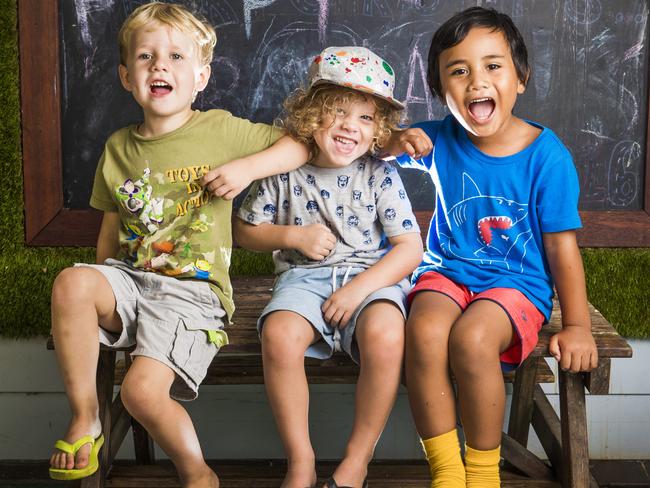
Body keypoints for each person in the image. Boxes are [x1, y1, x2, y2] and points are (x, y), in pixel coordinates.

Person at [48, 2, 311, 486]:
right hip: (129, 281)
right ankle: (86, 418)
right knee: (72, 282)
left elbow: (301, 145)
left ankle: (197, 474)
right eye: (146, 57)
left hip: (191, 292)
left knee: (141, 394)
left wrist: (246, 169)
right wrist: (100, 286)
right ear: (127, 77)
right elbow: (111, 226)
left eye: (175, 57)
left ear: (202, 76)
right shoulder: (117, 147)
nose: (160, 66)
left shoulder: (220, 129)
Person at [387, 7, 599, 487]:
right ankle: (446, 473)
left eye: (492, 66)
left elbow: (563, 250)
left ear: (520, 78)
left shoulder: (548, 157)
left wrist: (579, 326)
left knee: (472, 339)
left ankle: (482, 475)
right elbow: (375, 148)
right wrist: (395, 138)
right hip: (446, 273)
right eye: (458, 71)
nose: (476, 81)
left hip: (516, 285)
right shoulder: (437, 139)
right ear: (441, 91)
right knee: (422, 333)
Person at [235, 46, 424, 488]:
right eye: (336, 111)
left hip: (370, 278)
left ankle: (357, 460)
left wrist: (358, 290)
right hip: (302, 279)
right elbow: (244, 231)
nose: (349, 126)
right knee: (279, 335)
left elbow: (408, 249)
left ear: (378, 130)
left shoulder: (378, 173)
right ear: (310, 117)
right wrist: (291, 237)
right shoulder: (281, 171)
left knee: (386, 333)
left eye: (364, 118)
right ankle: (299, 461)